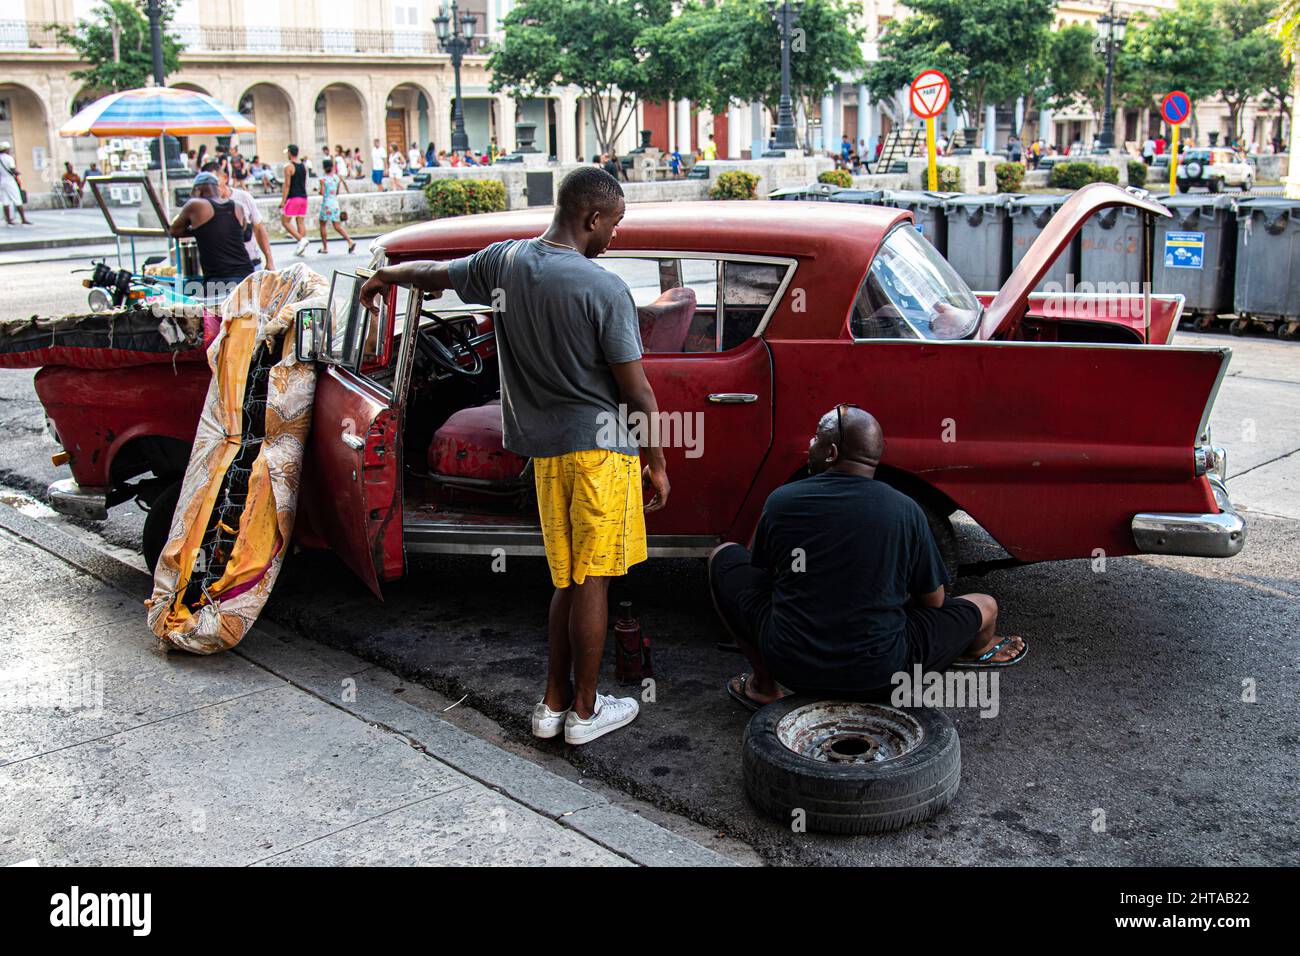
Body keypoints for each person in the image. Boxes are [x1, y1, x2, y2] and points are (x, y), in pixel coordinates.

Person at [359, 167, 670, 746]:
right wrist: (657, 462)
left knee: (564, 579)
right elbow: (638, 392)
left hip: (547, 457)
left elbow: (434, 275)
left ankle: (550, 704)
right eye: (615, 225)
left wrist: (386, 275)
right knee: (594, 581)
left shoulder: (505, 262)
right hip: (602, 454)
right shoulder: (603, 289)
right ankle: (584, 712)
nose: (615, 237)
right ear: (591, 218)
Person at [709, 406, 1027, 711]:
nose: (810, 444)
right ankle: (978, 648)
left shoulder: (781, 501)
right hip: (885, 675)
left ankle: (764, 686)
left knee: (722, 556)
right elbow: (934, 602)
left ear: (832, 452)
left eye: (816, 438)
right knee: (985, 605)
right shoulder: (905, 510)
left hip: (794, 668)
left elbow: (764, 577)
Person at [168, 170, 253, 300]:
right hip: (247, 275)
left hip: (219, 280)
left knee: (215, 318)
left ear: (198, 190)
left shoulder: (195, 204)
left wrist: (197, 231)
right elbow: (244, 233)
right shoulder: (237, 206)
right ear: (217, 188)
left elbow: (174, 230)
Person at [203, 159, 273, 272]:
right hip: (222, 269)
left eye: (215, 181)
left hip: (251, 263)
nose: (212, 186)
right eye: (207, 183)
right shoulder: (204, 206)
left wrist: (269, 260)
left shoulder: (244, 197)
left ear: (225, 178)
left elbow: (259, 229)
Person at [315, 157, 355, 255]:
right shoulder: (336, 178)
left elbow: (322, 192)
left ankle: (325, 247)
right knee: (337, 226)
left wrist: (318, 190)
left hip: (326, 204)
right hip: (334, 203)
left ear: (324, 168)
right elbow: (337, 191)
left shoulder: (323, 179)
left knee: (323, 225)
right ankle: (349, 241)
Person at [279, 144, 311, 256]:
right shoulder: (303, 166)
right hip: (303, 197)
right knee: (300, 222)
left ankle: (301, 240)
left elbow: (287, 184)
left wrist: (283, 200)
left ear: (289, 153)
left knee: (285, 221)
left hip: (294, 197)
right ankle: (301, 247)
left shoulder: (288, 167)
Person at [0, 142, 30, 226]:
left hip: (2, 181)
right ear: (6, 149)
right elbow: (12, 169)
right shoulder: (9, 158)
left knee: (5, 201)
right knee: (17, 199)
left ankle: (8, 219)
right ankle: (23, 219)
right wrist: (18, 173)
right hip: (10, 180)